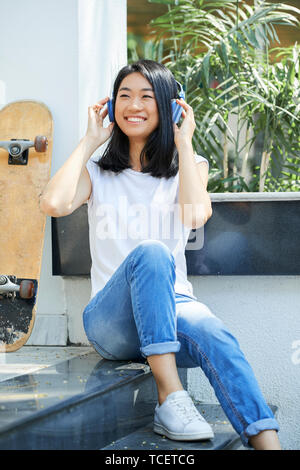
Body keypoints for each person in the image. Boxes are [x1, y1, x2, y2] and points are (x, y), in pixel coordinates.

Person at [40, 59, 281, 450]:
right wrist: (88, 142)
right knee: (151, 253)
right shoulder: (99, 173)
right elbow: (52, 203)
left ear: (170, 105)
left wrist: (183, 142)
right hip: (111, 322)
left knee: (216, 334)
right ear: (111, 107)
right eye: (125, 96)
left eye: (147, 97)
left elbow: (195, 214)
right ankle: (170, 397)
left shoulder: (188, 166)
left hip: (172, 311)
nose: (134, 105)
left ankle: (268, 444)